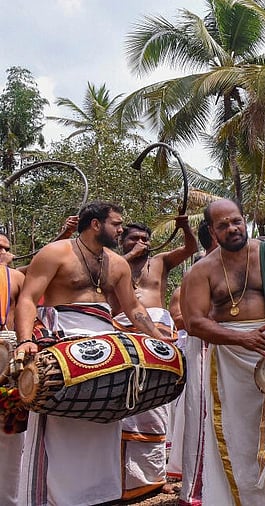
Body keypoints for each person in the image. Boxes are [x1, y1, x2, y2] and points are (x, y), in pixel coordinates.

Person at [14, 201, 167, 505]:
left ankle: (99, 497)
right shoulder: (56, 253)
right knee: (61, 422)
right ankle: (59, 498)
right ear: (95, 224)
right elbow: (29, 298)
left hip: (105, 345)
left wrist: (159, 339)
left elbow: (134, 308)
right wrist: (24, 340)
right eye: (116, 224)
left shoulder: (118, 264)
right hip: (61, 343)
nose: (121, 229)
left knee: (106, 417)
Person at [179, 199, 265, 504]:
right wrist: (241, 340)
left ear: (244, 220)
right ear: (212, 231)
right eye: (223, 225)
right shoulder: (201, 272)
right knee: (237, 431)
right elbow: (194, 323)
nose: (232, 229)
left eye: (236, 221)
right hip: (230, 355)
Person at [113, 217, 197, 499]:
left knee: (155, 407)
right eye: (134, 239)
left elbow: (190, 247)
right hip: (120, 335)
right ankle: (120, 480)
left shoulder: (160, 261)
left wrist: (185, 226)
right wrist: (127, 258)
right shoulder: (111, 262)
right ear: (121, 239)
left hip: (156, 336)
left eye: (145, 240)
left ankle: (154, 479)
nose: (141, 244)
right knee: (123, 407)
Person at [177, 218, 217, 505]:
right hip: (205, 348)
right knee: (203, 414)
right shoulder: (196, 273)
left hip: (237, 349)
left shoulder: (241, 267)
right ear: (214, 236)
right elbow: (188, 321)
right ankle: (199, 490)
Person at [0, 233, 25, 504]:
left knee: (8, 429)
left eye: (7, 248)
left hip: (6, 355)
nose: (5, 253)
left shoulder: (15, 278)